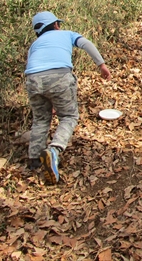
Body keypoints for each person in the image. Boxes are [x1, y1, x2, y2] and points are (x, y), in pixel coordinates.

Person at [25, 11, 112, 184]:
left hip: (32, 80)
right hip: (59, 76)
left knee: (40, 119)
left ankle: (34, 160)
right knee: (69, 116)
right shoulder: (67, 34)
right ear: (56, 25)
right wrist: (101, 65)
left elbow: (31, 65)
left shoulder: (34, 44)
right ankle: (54, 151)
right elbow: (86, 44)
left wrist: (48, 98)